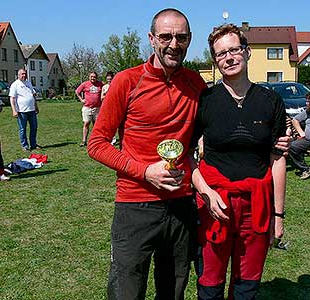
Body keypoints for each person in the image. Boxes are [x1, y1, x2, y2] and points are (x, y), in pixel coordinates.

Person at [88, 8, 206, 300]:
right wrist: (145, 171)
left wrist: (273, 137)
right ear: (152, 39)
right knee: (127, 290)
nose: (173, 44)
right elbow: (97, 143)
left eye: (181, 37)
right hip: (134, 205)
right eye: (166, 36)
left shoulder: (196, 84)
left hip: (181, 204)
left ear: (190, 40)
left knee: (173, 290)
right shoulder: (127, 81)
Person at [191, 24, 287, 300]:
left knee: (247, 282)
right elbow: (187, 154)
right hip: (214, 202)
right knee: (210, 281)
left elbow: (278, 158)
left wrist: (278, 217)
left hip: (256, 203)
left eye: (234, 50)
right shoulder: (206, 100)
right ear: (215, 61)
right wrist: (206, 193)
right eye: (221, 54)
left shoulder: (270, 100)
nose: (229, 58)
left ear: (246, 52)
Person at [9, 69, 40, 151]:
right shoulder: (15, 84)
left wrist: (36, 106)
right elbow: (12, 98)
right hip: (22, 111)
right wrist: (14, 110)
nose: (24, 75)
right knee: (23, 129)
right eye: (22, 74)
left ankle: (33, 144)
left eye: (25, 74)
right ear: (18, 75)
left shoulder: (28, 83)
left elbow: (33, 95)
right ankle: (25, 146)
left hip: (32, 110)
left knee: (34, 127)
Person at [75, 72, 103, 147]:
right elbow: (77, 91)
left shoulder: (100, 84)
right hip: (87, 108)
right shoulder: (85, 84)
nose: (93, 78)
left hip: (97, 108)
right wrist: (81, 99)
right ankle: (84, 141)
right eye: (91, 76)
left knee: (96, 125)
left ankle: (96, 141)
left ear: (96, 77)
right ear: (89, 77)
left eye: (94, 77)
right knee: (86, 123)